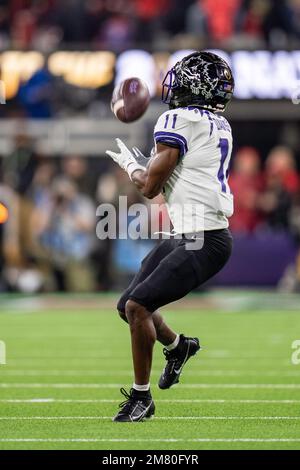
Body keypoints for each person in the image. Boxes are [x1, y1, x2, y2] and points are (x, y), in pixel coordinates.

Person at [106, 51, 235, 422]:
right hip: (191, 233)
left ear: (193, 86)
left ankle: (141, 398)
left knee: (137, 308)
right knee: (127, 307)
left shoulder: (178, 119)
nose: (173, 84)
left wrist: (131, 164)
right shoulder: (217, 124)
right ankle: (179, 347)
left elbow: (149, 188)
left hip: (203, 238)